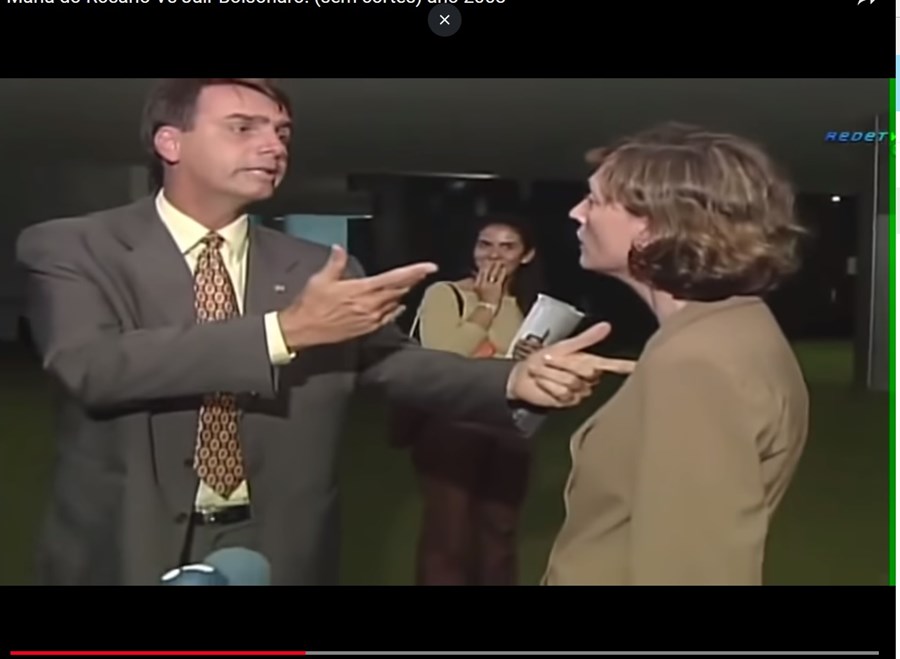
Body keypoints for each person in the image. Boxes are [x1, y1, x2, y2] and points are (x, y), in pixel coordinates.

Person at [16, 78, 631, 586]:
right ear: (170, 141)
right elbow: (91, 366)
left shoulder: (316, 267)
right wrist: (283, 332)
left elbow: (390, 362)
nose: (273, 146)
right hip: (126, 541)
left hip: (277, 542)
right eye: (243, 128)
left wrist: (514, 380)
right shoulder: (75, 247)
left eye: (281, 133)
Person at [541, 123, 810, 586]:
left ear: (655, 226)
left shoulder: (695, 362)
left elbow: (693, 567)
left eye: (594, 200)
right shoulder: (733, 328)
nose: (576, 212)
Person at [405, 215, 546, 585]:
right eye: (486, 244)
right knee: (449, 535)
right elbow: (443, 358)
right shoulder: (446, 294)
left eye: (507, 246)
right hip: (452, 425)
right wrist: (486, 308)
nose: (494, 254)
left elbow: (514, 370)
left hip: (508, 427)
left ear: (526, 255)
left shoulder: (527, 305)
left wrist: (532, 357)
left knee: (499, 533)